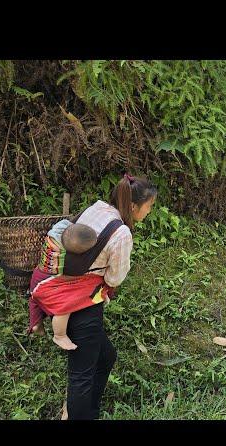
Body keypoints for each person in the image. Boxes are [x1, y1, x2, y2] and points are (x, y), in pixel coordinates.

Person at [37, 173, 156, 420]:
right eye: (149, 206)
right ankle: (79, 414)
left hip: (56, 287)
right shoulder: (122, 233)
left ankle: (86, 412)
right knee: (81, 376)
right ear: (134, 206)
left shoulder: (98, 208)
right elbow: (114, 279)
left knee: (105, 356)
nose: (149, 211)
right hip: (81, 302)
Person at [33, 221, 99, 350]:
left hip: (37, 274)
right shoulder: (64, 259)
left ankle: (36, 323)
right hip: (47, 282)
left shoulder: (58, 228)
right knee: (64, 307)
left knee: (34, 299)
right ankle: (59, 335)